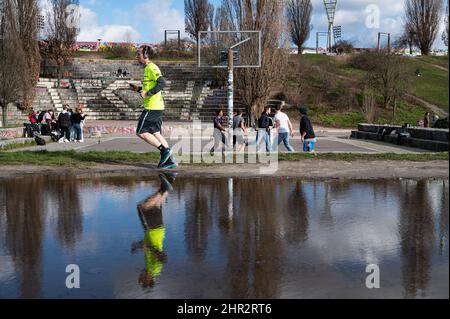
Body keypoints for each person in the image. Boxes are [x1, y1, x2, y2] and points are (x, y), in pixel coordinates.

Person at [131, 45, 177, 169]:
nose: (137, 56)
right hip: (156, 106)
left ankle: (164, 151)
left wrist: (147, 93)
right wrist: (140, 89)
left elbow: (162, 83)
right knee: (156, 133)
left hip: (153, 106)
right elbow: (149, 88)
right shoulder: (147, 69)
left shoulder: (151, 67)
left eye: (139, 54)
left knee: (141, 132)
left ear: (146, 55)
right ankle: (169, 161)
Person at [131, 173, 176, 288]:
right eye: (142, 278)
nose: (140, 275)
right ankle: (164, 188)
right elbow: (163, 258)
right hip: (153, 230)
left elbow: (150, 248)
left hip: (157, 231)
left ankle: (170, 180)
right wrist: (147, 246)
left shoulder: (150, 269)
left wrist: (138, 245)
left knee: (156, 204)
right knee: (141, 207)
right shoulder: (155, 269)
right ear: (148, 280)